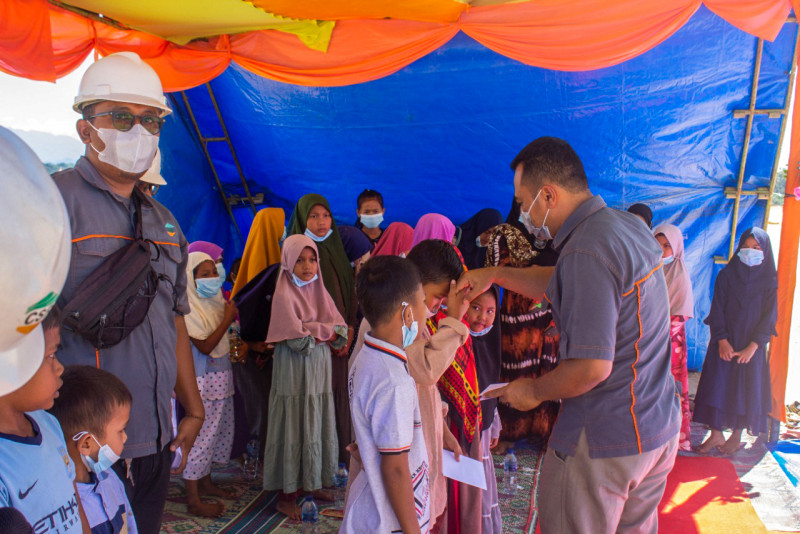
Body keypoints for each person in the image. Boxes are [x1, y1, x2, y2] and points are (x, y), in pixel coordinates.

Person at [464, 137, 680, 534]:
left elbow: (591, 367)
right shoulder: (623, 225)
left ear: (548, 195)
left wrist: (531, 391)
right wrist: (494, 275)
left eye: (523, 200)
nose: (522, 213)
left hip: (604, 437)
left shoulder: (585, 250)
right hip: (655, 426)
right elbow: (562, 281)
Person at [52, 52, 204, 534]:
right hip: (82, 445)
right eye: (121, 117)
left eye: (151, 120)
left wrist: (192, 405)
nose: (138, 131)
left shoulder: (165, 221)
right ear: (85, 128)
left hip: (156, 436)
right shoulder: (53, 205)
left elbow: (174, 318)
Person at [348, 239, 470, 533]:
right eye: (434, 299)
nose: (434, 309)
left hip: (406, 450)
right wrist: (454, 321)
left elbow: (424, 389)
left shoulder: (396, 331)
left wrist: (440, 431)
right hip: (393, 477)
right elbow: (425, 371)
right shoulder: (387, 335)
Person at [342, 256, 431, 533]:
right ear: (407, 314)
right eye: (423, 302)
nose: (427, 312)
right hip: (387, 520)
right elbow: (394, 469)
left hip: (371, 507)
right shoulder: (394, 381)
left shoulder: (367, 357)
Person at [262, 235, 347, 518]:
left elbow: (339, 331)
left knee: (316, 419)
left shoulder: (320, 291)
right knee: (295, 423)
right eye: (299, 259)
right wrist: (322, 331)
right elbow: (299, 340)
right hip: (295, 370)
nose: (307, 266)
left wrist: (315, 329)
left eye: (311, 260)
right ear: (287, 262)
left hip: (319, 367)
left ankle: (312, 483)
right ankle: (287, 495)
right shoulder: (284, 293)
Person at [0, 308, 87, 533]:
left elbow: (74, 505)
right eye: (50, 356)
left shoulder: (48, 423)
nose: (59, 367)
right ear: (8, 367)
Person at [693, 228, 777, 456]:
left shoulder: (770, 281)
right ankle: (716, 433)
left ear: (765, 251)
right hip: (724, 343)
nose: (751, 251)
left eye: (757, 248)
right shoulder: (726, 276)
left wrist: (754, 346)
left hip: (751, 348)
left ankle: (736, 436)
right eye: (746, 247)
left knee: (744, 390)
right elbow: (717, 309)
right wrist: (721, 340)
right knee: (717, 386)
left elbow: (769, 318)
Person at [287, 194, 356, 464]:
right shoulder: (297, 254)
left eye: (326, 215)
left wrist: (348, 330)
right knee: (316, 398)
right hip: (313, 343)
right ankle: (317, 462)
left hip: (340, 339)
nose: (321, 222)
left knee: (338, 391)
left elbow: (349, 293)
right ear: (303, 219)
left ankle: (337, 456)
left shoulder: (336, 248)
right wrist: (328, 335)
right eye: (314, 216)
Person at [486, 224, 560, 448]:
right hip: (515, 324)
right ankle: (508, 434)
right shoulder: (504, 236)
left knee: (546, 374)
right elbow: (492, 272)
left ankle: (545, 432)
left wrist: (559, 317)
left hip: (549, 320)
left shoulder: (559, 237)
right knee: (515, 375)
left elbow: (568, 280)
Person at [49, 365, 138, 534]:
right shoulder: (62, 506)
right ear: (86, 444)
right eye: (120, 430)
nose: (125, 437)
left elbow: (129, 524)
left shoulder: (110, 478)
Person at [183, 251, 238, 517]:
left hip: (221, 379)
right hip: (203, 382)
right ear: (191, 280)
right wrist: (227, 320)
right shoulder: (190, 308)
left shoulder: (216, 302)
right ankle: (193, 497)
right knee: (201, 436)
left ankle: (206, 481)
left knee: (218, 431)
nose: (212, 279)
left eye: (214, 272)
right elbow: (204, 345)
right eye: (204, 275)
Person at [653, 224, 695, 452]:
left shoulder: (679, 275)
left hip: (669, 343)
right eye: (657, 244)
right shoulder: (645, 269)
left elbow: (679, 316)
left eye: (667, 246)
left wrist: (655, 336)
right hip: (644, 341)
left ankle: (670, 442)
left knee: (667, 390)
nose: (660, 250)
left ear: (676, 248)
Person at [466, 287, 503, 534]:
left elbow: (492, 385)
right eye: (476, 308)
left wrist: (495, 419)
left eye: (490, 311)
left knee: (480, 478)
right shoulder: (459, 340)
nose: (483, 317)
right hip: (462, 426)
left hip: (484, 423)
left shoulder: (490, 341)